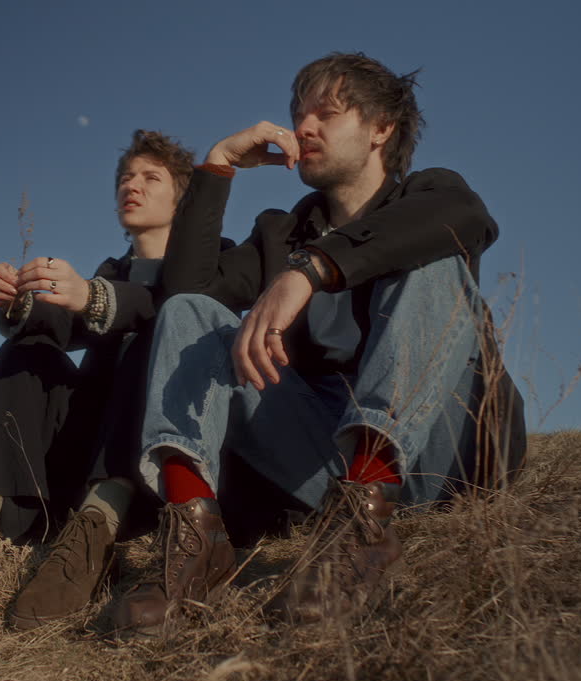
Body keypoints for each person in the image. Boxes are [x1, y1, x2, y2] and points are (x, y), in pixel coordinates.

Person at [111, 52, 527, 636]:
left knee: (433, 260)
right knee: (189, 313)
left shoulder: (434, 196)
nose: (302, 127)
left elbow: (463, 217)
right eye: (297, 114)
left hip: (438, 458)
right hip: (318, 460)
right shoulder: (282, 232)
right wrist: (218, 165)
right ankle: (195, 545)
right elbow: (184, 293)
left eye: (325, 114)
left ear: (383, 128)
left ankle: (365, 524)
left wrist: (310, 271)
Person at [0, 130, 225, 630]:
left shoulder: (213, 260)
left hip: (152, 460)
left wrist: (96, 298)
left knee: (151, 332)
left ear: (181, 198)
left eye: (150, 177)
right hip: (87, 444)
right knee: (26, 348)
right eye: (125, 177)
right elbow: (59, 327)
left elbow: (171, 308)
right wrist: (19, 303)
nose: (130, 186)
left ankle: (96, 531)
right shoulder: (112, 269)